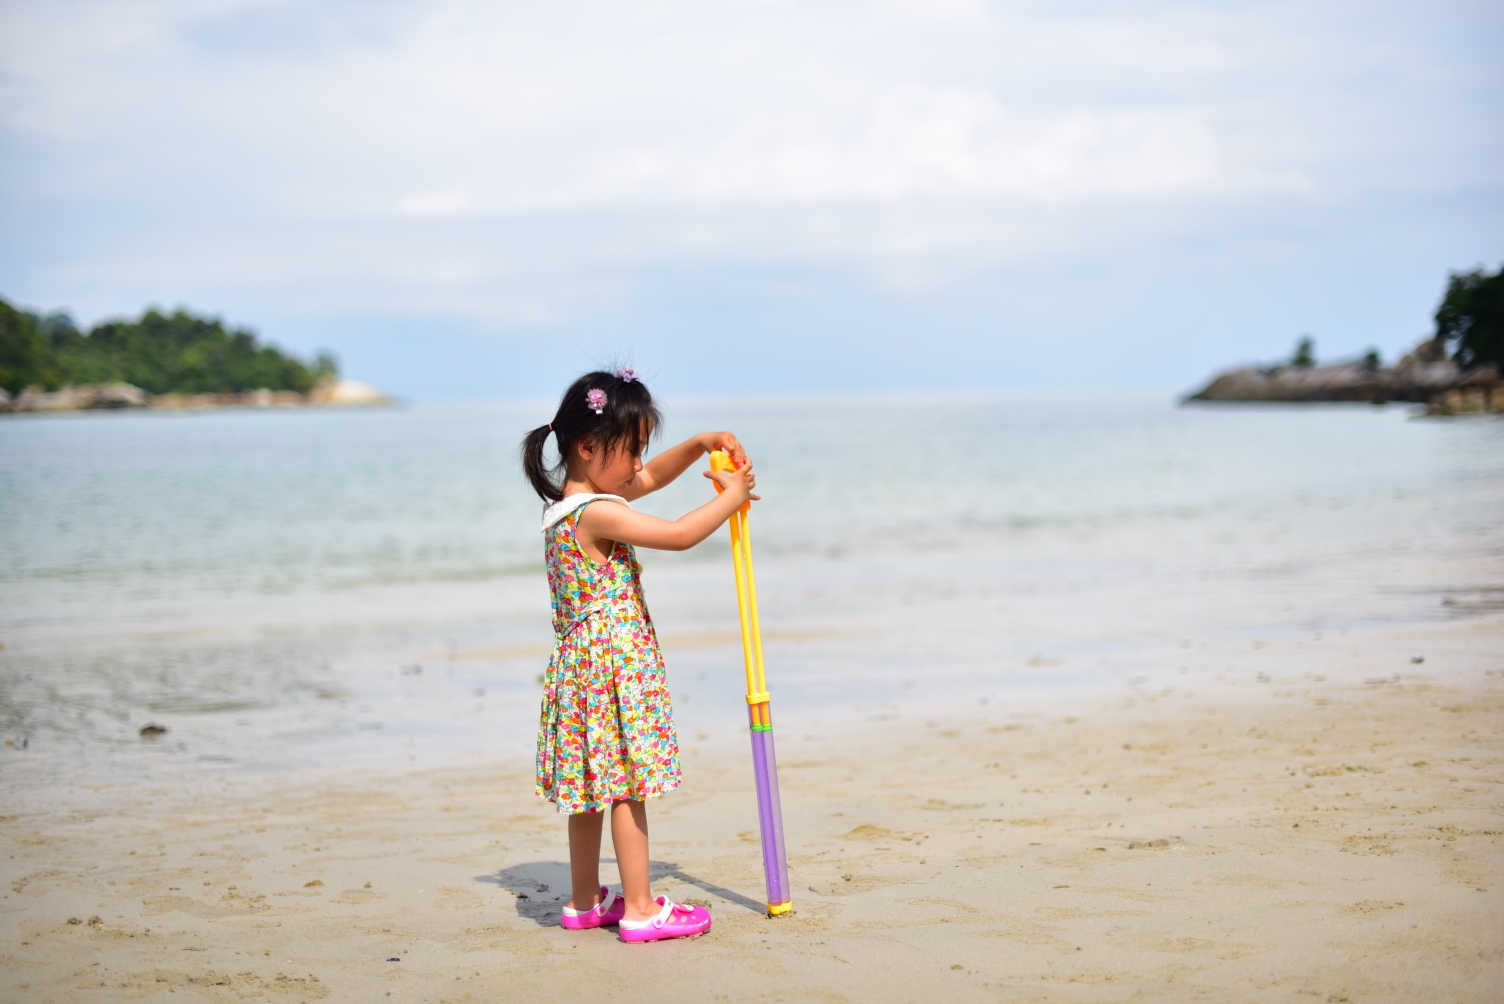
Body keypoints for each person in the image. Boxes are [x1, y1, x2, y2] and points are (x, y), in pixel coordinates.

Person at [519, 367, 758, 943]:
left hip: (582, 669)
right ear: (588, 446)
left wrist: (702, 444)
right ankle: (642, 909)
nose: (637, 464)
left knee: (591, 791)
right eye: (630, 450)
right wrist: (732, 498)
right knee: (625, 785)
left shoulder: (571, 506)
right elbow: (676, 534)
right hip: (615, 668)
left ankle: (583, 902)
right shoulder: (598, 513)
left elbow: (650, 479)